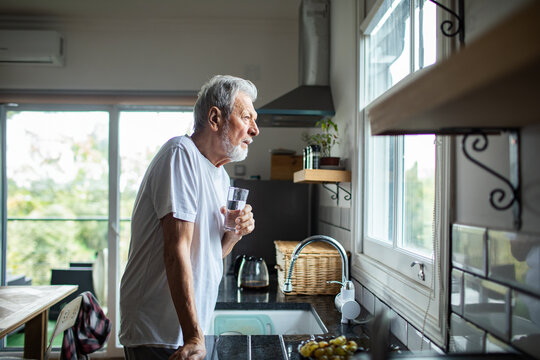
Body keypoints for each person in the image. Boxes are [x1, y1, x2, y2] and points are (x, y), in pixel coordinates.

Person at [119, 75, 259, 360]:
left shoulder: (221, 176)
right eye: (246, 117)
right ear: (215, 118)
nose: (255, 130)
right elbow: (176, 249)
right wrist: (194, 336)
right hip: (158, 329)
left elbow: (208, 255)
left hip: (187, 331)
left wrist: (234, 234)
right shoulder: (180, 154)